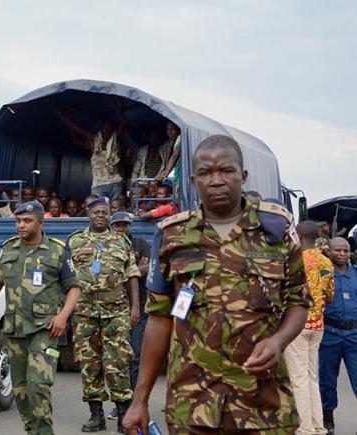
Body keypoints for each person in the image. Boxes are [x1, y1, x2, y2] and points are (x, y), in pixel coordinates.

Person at [123, 134, 312, 435]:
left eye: (226, 171)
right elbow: (159, 319)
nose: (217, 180)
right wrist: (140, 400)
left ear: (243, 176)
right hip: (193, 405)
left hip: (263, 406)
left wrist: (279, 342)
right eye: (207, 173)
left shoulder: (274, 231)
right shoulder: (172, 235)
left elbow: (298, 302)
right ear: (193, 180)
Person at [0, 200, 81, 435]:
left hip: (45, 329)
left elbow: (74, 287)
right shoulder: (9, 248)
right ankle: (32, 431)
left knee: (38, 385)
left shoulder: (57, 250)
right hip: (15, 329)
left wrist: (63, 316)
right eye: (18, 221)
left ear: (41, 222)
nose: (21, 225)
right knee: (21, 390)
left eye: (27, 221)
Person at [68, 197, 141, 433]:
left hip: (116, 310)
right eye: (96, 211)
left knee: (119, 362)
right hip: (84, 311)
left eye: (105, 212)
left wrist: (135, 307)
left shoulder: (121, 241)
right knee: (89, 363)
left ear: (110, 215)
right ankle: (96, 416)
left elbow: (132, 275)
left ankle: (122, 416)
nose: (100, 215)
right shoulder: (75, 241)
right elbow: (67, 280)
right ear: (88, 214)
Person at [283, 221, 334, 435]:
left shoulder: (294, 260)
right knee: (312, 378)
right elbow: (330, 297)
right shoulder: (326, 262)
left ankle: (305, 429)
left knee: (299, 379)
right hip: (318, 326)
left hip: (297, 326)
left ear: (300, 235)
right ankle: (318, 426)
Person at [106, 211, 150, 421]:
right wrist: (134, 269)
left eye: (125, 225)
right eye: (117, 225)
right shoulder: (103, 246)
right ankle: (121, 403)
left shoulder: (141, 243)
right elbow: (99, 273)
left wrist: (119, 272)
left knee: (136, 357)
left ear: (130, 226)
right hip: (112, 310)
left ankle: (136, 401)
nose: (121, 229)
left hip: (138, 308)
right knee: (117, 358)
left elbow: (148, 269)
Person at [53, 99, 126, 200]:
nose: (106, 131)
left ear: (112, 131)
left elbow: (122, 123)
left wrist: (119, 108)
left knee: (116, 210)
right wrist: (56, 110)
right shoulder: (94, 141)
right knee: (98, 209)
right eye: (104, 129)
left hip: (115, 183)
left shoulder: (115, 141)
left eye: (109, 129)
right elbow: (73, 126)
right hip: (98, 185)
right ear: (100, 130)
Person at [320, 237, 357, 435]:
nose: (342, 254)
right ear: (329, 251)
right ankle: (328, 418)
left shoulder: (356, 274)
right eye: (338, 250)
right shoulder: (323, 273)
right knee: (327, 381)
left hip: (354, 335)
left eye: (346, 250)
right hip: (330, 335)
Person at [156, 122, 182, 188]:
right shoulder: (172, 143)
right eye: (168, 130)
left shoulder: (180, 139)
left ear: (178, 130)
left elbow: (174, 156)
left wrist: (164, 175)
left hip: (180, 179)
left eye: (172, 129)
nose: (169, 132)